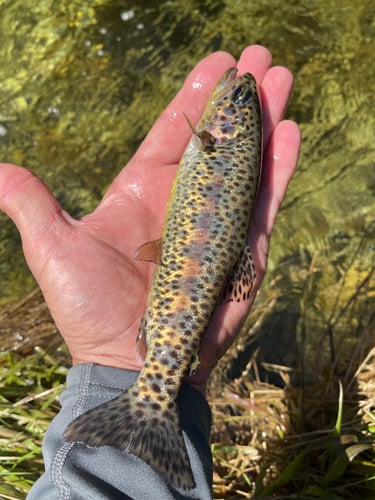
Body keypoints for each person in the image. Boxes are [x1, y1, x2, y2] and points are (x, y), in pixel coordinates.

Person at [0, 45, 300, 499]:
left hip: (180, 298)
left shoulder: (207, 140)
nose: (237, 92)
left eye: (238, 102)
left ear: (216, 133)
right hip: (191, 291)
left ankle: (150, 405)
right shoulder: (217, 145)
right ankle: (151, 411)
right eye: (241, 98)